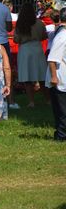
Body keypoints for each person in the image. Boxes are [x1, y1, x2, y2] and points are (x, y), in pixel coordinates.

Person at [14, 3, 48, 108]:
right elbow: (44, 36)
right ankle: (48, 99)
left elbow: (16, 39)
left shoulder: (20, 24)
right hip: (37, 49)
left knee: (27, 77)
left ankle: (31, 101)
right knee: (42, 76)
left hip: (25, 50)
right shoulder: (39, 23)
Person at [46, 8, 66, 141]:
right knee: (62, 111)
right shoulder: (62, 36)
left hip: (62, 76)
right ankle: (61, 135)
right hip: (59, 78)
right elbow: (52, 58)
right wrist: (54, 77)